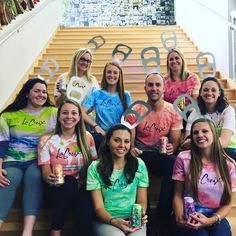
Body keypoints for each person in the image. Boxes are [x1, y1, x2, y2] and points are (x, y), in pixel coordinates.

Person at [0, 78, 57, 236]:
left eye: (44, 91)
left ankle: (27, 232)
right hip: (12, 160)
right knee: (7, 178)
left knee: (35, 175)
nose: (41, 94)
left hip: (37, 160)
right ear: (27, 93)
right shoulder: (8, 115)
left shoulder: (53, 112)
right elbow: (1, 143)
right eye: (37, 91)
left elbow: (70, 125)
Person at [130, 72, 183, 236]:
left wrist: (172, 148)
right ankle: (138, 214)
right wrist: (131, 148)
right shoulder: (136, 109)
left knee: (174, 162)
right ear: (145, 88)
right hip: (140, 153)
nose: (154, 88)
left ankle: (163, 215)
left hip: (160, 154)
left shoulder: (173, 110)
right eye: (150, 85)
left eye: (158, 85)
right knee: (127, 161)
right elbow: (129, 139)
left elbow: (175, 140)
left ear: (164, 88)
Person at [38, 99, 97, 236]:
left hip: (82, 186)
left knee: (85, 203)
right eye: (64, 113)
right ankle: (55, 231)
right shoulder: (47, 140)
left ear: (79, 117)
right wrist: (49, 177)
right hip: (56, 188)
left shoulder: (87, 137)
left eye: (74, 113)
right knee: (69, 182)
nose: (69, 116)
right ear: (58, 117)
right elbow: (45, 171)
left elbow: (94, 164)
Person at [172, 118, 236, 236]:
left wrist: (211, 220)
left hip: (216, 215)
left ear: (214, 134)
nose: (200, 135)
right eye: (195, 132)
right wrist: (180, 218)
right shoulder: (183, 158)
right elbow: (177, 194)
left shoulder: (229, 165)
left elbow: (228, 204)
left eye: (205, 131)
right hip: (190, 214)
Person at [87, 124, 149, 236]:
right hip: (107, 220)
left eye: (126, 141)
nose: (122, 145)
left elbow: (142, 201)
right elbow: (98, 208)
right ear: (108, 141)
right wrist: (114, 221)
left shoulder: (139, 164)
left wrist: (140, 214)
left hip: (132, 218)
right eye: (117, 140)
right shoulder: (95, 168)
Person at [182, 77, 236, 161]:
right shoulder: (195, 113)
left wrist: (200, 143)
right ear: (200, 93)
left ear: (219, 93)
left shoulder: (228, 111)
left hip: (227, 150)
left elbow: (224, 142)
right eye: (205, 90)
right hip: (201, 151)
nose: (209, 93)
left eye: (213, 90)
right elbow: (186, 143)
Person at [82, 62, 132, 149]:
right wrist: (95, 126)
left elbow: (130, 120)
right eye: (109, 72)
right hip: (102, 137)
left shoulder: (125, 95)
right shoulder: (97, 94)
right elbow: (81, 112)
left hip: (120, 137)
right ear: (105, 74)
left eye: (115, 73)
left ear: (119, 76)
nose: (112, 75)